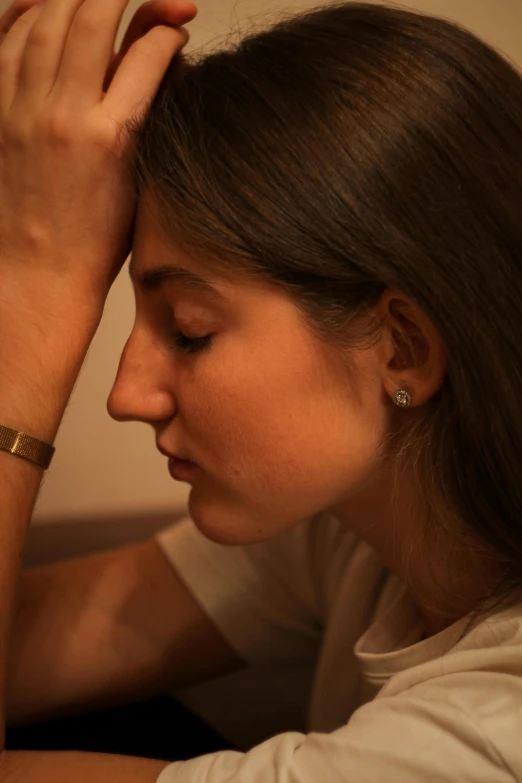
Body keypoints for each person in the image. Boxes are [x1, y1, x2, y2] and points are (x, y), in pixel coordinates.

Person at [0, 0, 521, 779]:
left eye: (189, 328)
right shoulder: (358, 521)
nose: (128, 394)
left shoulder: (482, 737)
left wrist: (38, 286)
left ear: (404, 349)